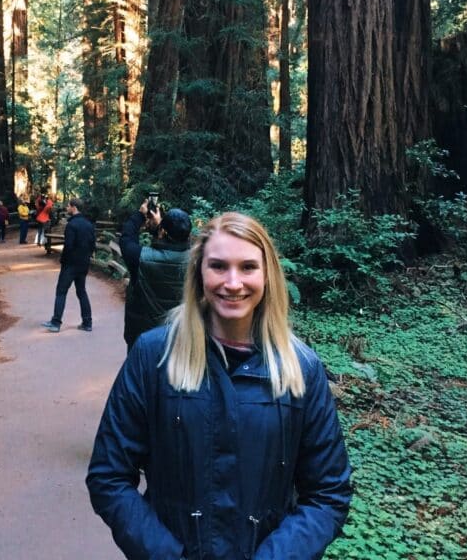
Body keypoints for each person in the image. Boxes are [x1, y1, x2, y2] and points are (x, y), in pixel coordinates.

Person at [87, 212, 352, 559]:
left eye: (248, 267)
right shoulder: (154, 358)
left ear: (267, 275)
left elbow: (328, 494)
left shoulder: (301, 370)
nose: (233, 282)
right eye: (218, 266)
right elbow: (109, 476)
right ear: (199, 272)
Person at [120, 198, 191, 350]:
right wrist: (160, 226)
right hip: (179, 333)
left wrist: (140, 215)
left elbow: (126, 239)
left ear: (163, 231)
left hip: (142, 335)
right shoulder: (198, 261)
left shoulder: (141, 258)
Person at [41, 197, 96, 332]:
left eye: (68, 206)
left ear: (74, 207)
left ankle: (56, 323)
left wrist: (63, 261)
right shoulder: (89, 225)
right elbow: (92, 245)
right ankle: (87, 322)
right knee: (81, 292)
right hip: (83, 264)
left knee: (61, 291)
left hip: (70, 264)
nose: (67, 208)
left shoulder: (71, 225)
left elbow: (68, 246)